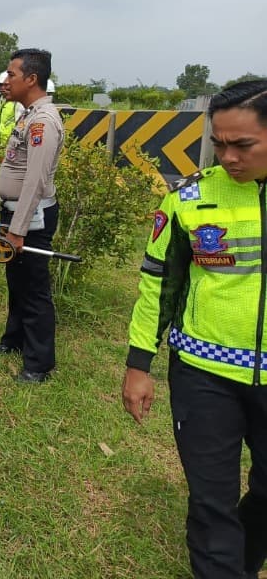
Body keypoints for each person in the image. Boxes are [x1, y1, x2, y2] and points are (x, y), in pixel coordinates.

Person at [122, 79, 267, 579]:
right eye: (219, 143)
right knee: (211, 501)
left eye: (243, 145)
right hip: (204, 375)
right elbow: (157, 287)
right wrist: (139, 364)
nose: (228, 156)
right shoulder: (189, 199)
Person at [0, 49, 64, 383]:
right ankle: (13, 340)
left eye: (11, 74)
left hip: (31, 219)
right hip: (16, 215)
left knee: (33, 290)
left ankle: (38, 364)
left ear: (31, 79)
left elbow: (35, 181)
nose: (6, 80)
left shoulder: (43, 121)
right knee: (16, 284)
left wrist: (17, 231)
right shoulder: (28, 114)